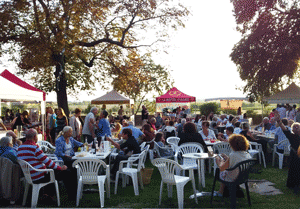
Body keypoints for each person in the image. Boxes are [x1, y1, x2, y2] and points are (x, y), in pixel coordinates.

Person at [17, 129, 77, 201]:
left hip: (29, 176)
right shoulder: (34, 147)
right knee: (68, 172)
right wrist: (60, 168)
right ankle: (72, 197)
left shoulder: (20, 148)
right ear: (35, 137)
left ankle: (48, 194)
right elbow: (47, 161)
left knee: (57, 171)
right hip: (38, 176)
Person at [274, 111, 300, 192]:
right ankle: (293, 185)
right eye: (294, 127)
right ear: (292, 129)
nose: (295, 128)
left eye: (297, 127)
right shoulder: (291, 135)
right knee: (294, 170)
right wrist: (279, 121)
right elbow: (284, 129)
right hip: (294, 155)